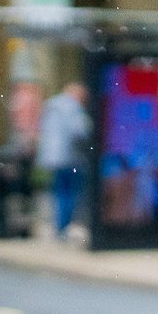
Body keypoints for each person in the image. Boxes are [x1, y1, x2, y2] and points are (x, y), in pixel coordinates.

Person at [37, 81, 92, 238]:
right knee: (69, 192)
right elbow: (80, 131)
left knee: (59, 191)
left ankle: (59, 226)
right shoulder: (73, 107)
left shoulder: (52, 106)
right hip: (68, 157)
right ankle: (63, 227)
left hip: (52, 157)